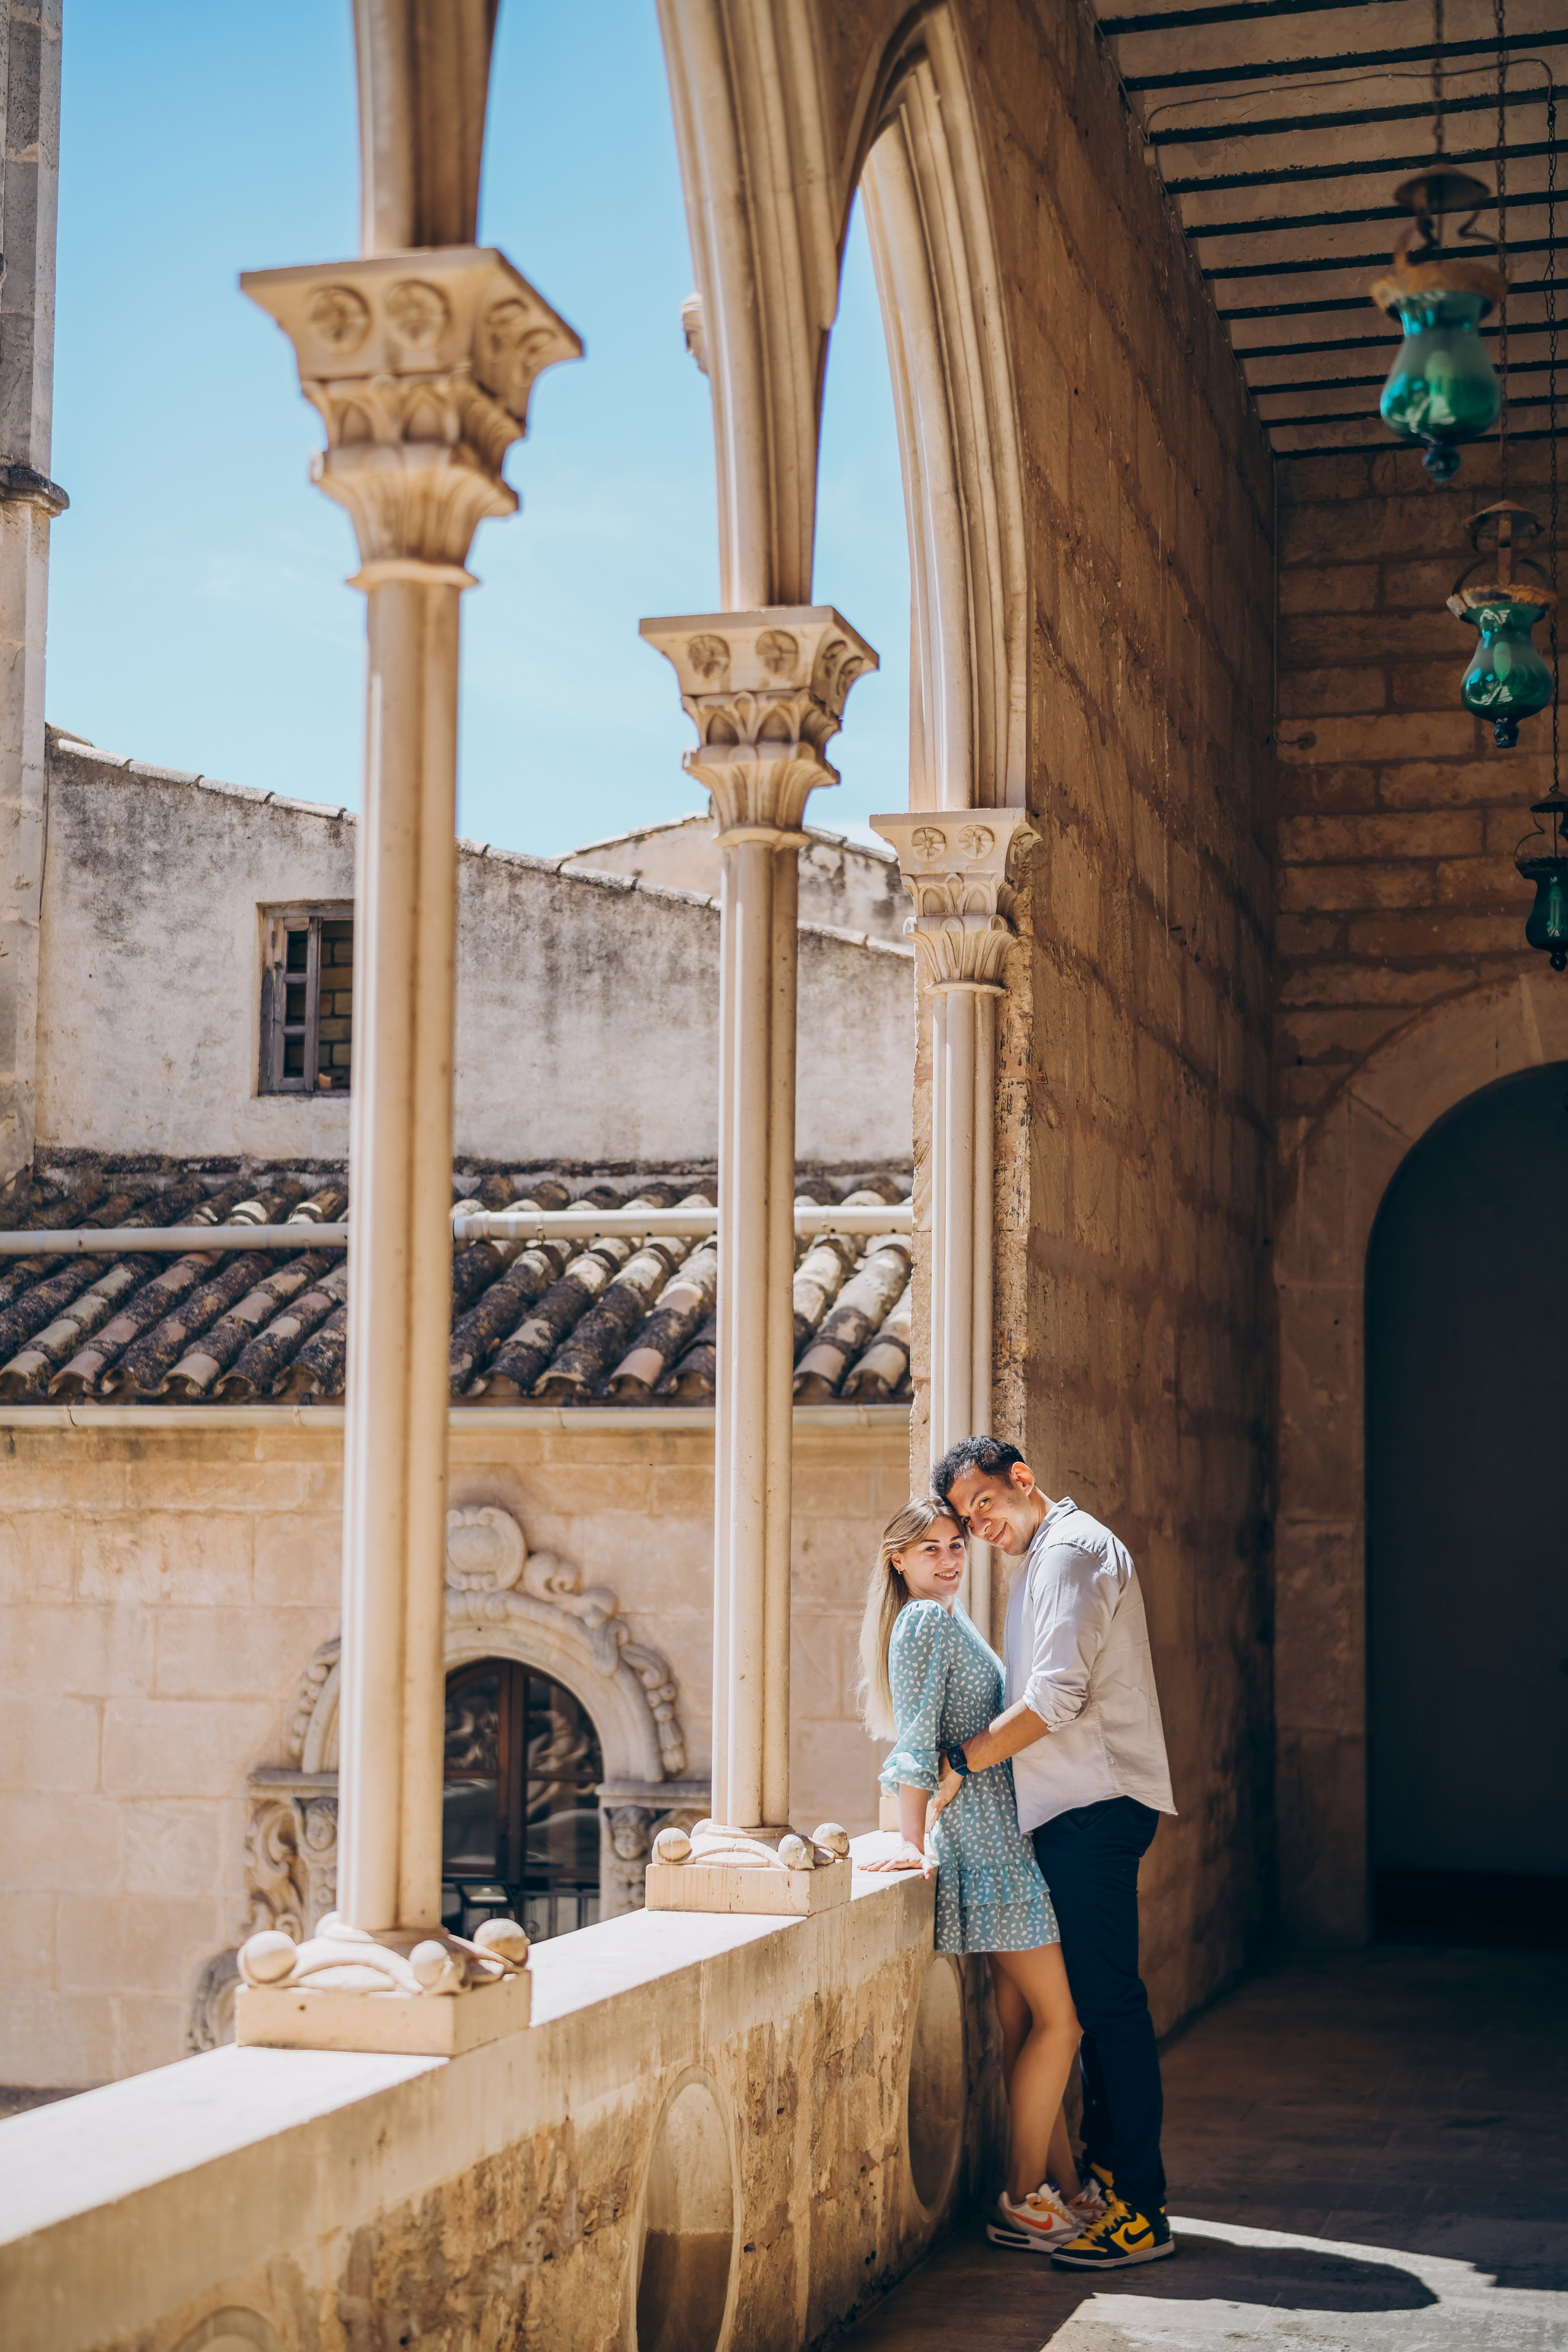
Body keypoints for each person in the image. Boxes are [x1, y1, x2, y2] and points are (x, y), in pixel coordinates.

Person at [931, 1436, 1177, 2271]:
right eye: (968, 1519)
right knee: (1100, 2013)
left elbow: (1055, 1698)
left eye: (986, 1505)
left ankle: (1143, 2210)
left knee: (1110, 2010)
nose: (981, 1525)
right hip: (1076, 1810)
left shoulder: (1070, 1553)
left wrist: (959, 1761)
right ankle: (1108, 2180)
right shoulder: (1043, 1557)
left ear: (1024, 1480)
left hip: (1094, 1807)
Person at [856, 1497, 1106, 2252]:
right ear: (897, 1559)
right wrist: (913, 1837)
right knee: (1063, 2022)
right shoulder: (925, 1622)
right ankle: (1022, 2197)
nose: (949, 1559)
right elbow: (917, 1741)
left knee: (1025, 2026)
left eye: (956, 1545)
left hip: (1001, 1837)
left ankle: (1061, 2190)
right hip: (990, 1850)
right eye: (929, 1549)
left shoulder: (946, 1617)